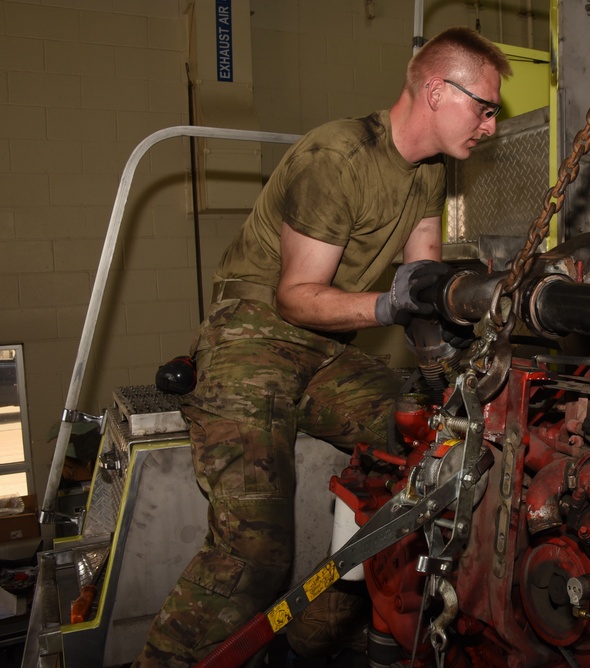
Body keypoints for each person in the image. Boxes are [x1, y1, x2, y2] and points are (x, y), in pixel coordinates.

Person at [134, 27, 512, 667]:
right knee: (255, 552)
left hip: (326, 351)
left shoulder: (430, 173)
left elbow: (417, 283)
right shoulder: (337, 158)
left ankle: (309, 643)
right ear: (437, 91)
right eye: (485, 106)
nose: (491, 126)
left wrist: (452, 371)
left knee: (432, 449)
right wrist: (392, 305)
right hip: (252, 337)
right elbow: (295, 297)